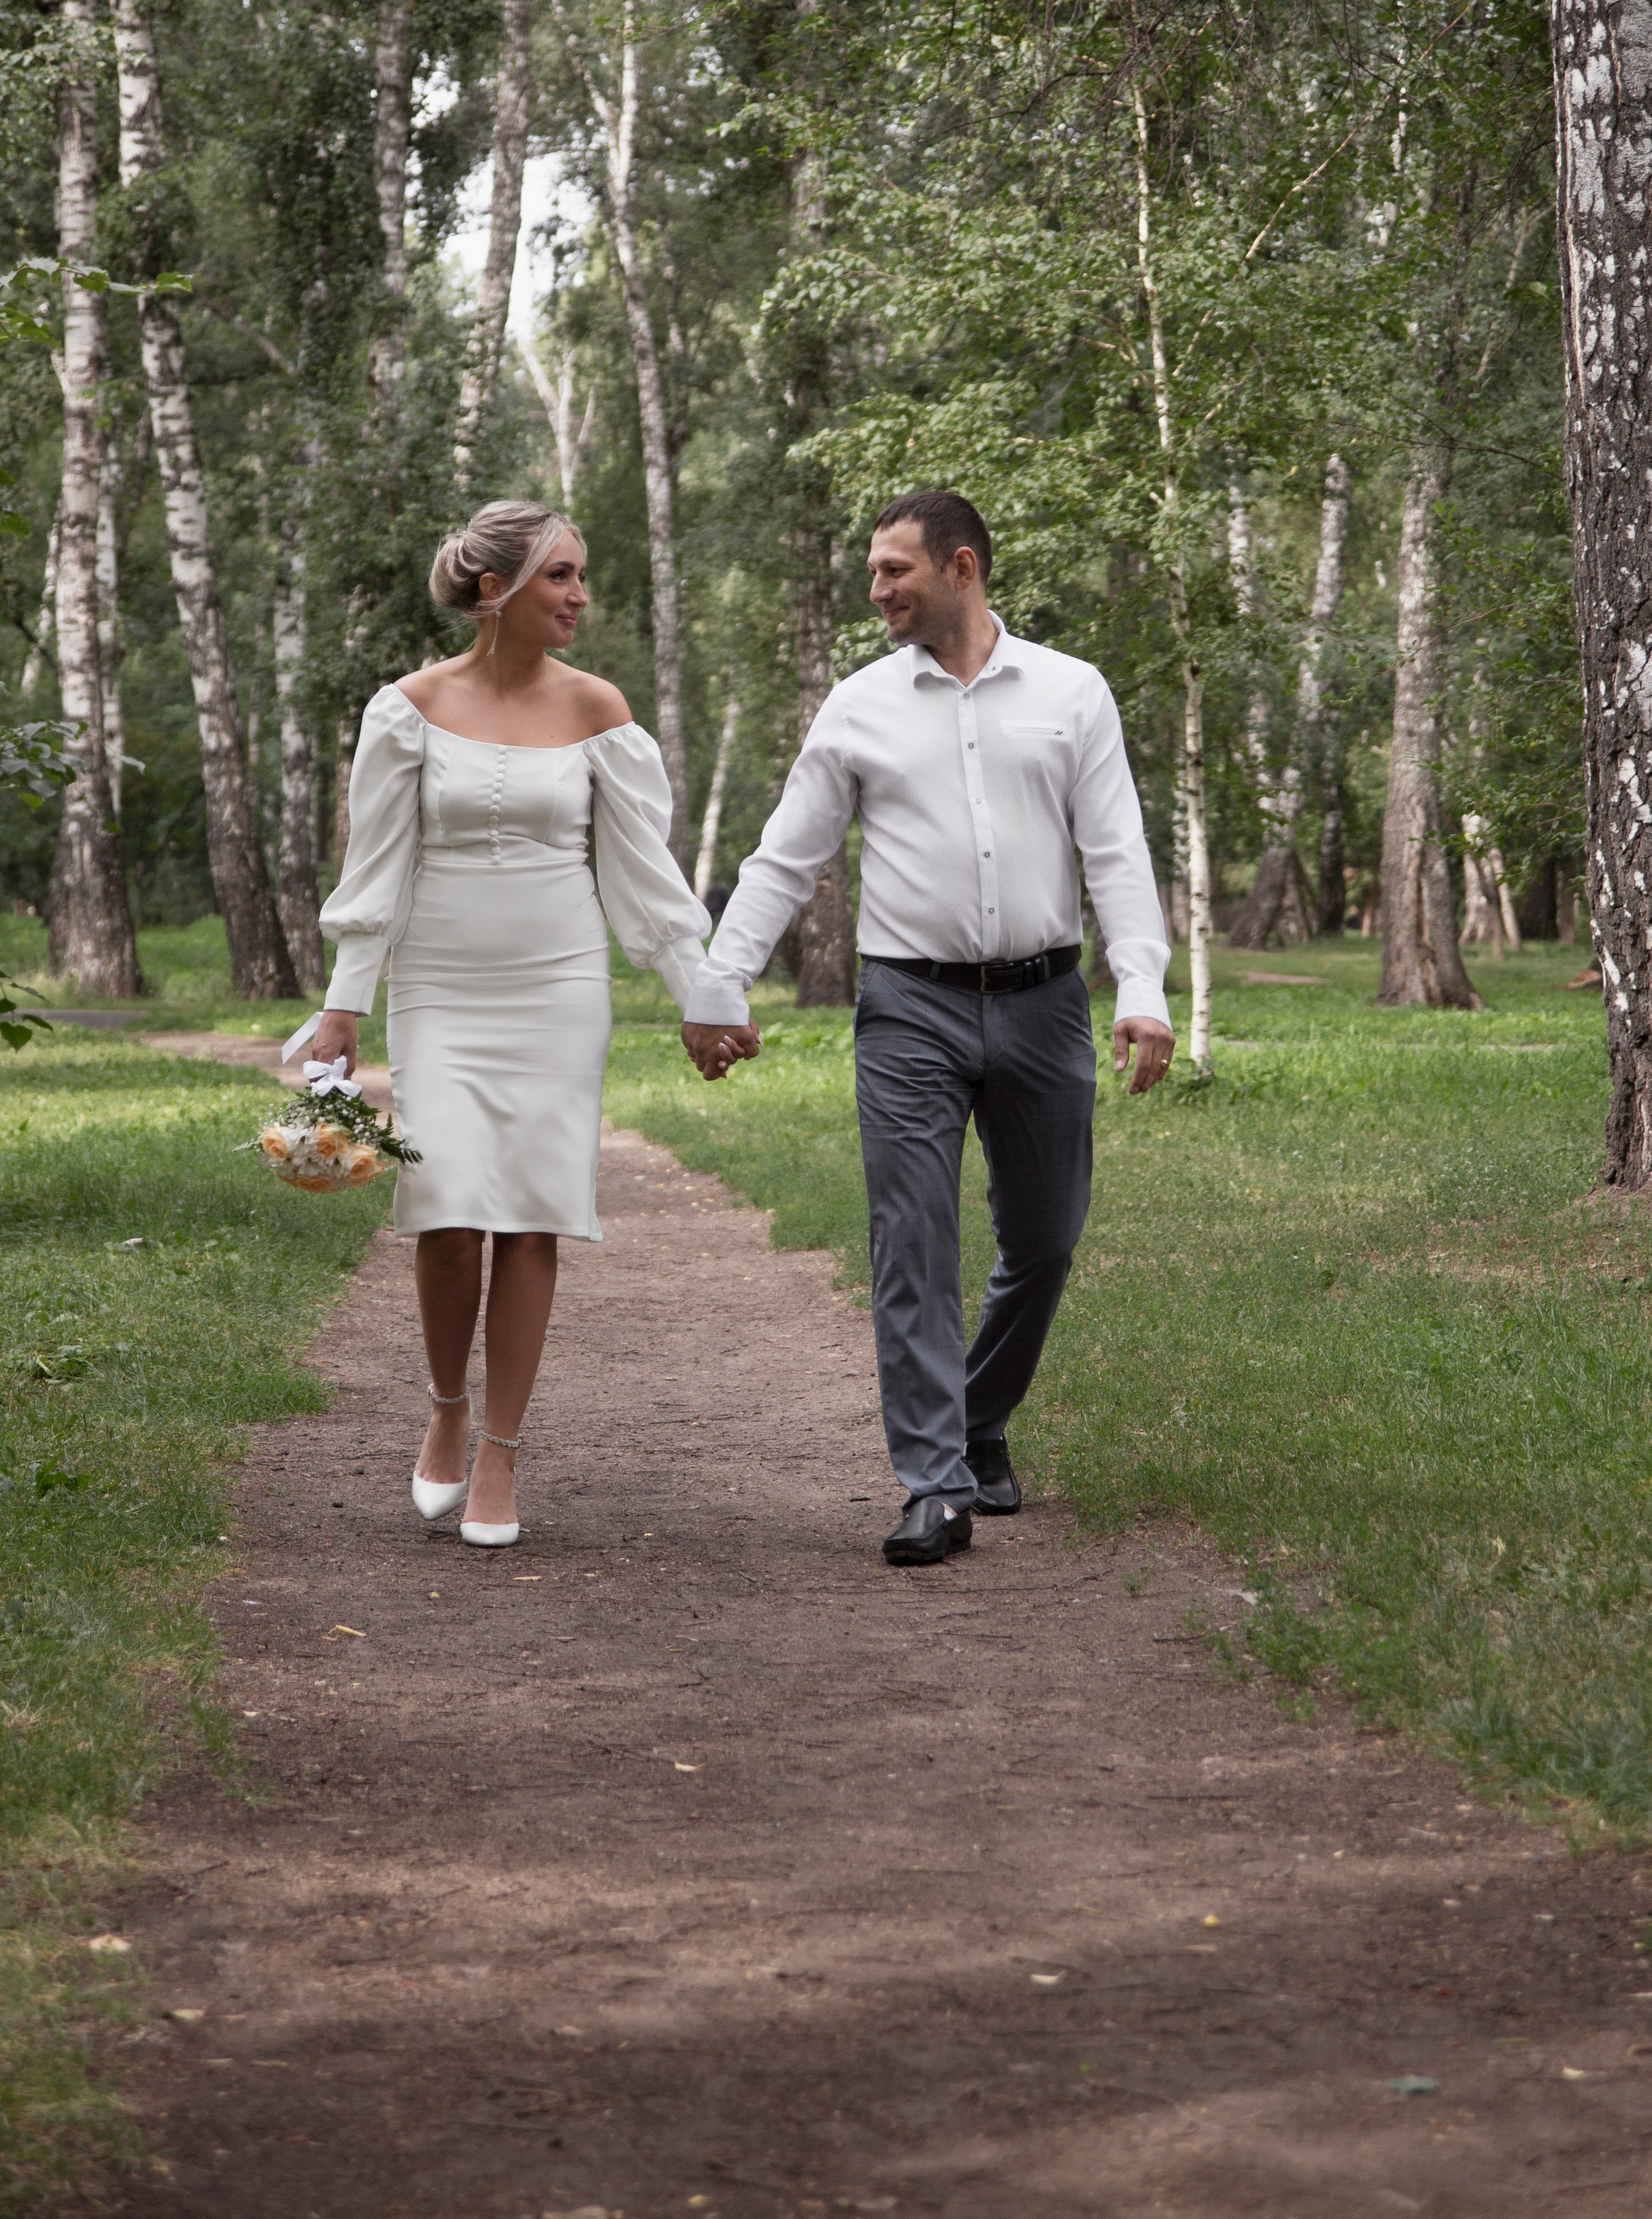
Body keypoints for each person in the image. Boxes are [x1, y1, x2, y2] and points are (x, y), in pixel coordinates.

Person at [680, 489, 1173, 1565]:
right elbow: (784, 860)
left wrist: (1143, 989)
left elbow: (1118, 853)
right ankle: (936, 1484)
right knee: (913, 1238)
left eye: (894, 571)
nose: (876, 591)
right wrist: (720, 986)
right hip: (910, 1005)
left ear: (960, 568)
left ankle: (978, 1417)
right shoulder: (858, 706)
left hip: (1047, 1002)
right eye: (871, 571)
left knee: (1045, 1238)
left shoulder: (1071, 692)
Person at [308, 501, 709, 1551]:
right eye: (560, 576)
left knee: (534, 1212)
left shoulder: (599, 710)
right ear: (496, 591)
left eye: (582, 575)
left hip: (561, 981)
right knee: (441, 1205)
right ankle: (444, 1406)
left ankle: (500, 1449)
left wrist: (701, 991)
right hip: (439, 981)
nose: (581, 595)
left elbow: (643, 874)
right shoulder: (405, 708)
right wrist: (347, 1001)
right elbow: (378, 863)